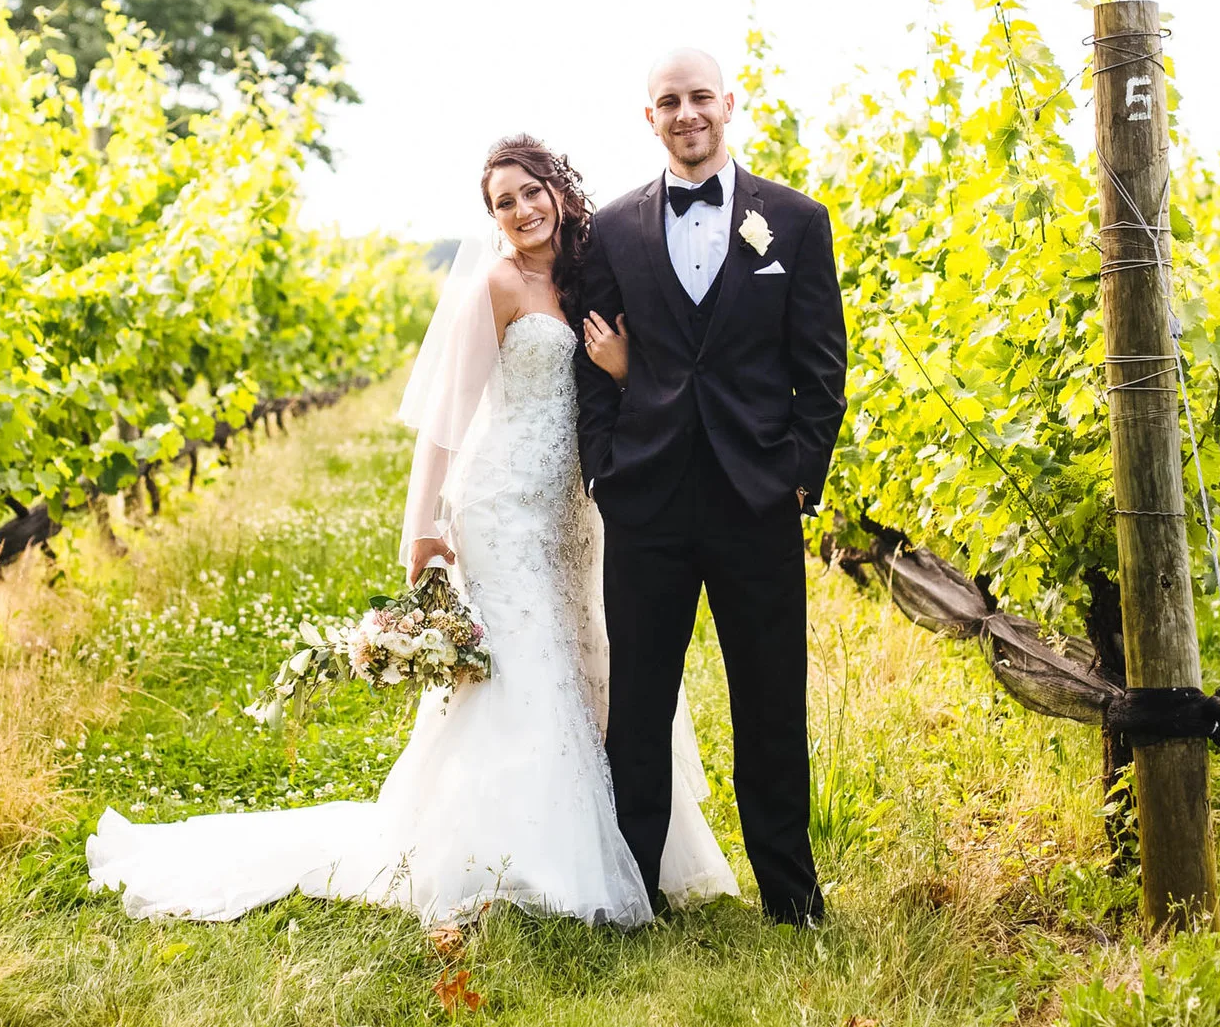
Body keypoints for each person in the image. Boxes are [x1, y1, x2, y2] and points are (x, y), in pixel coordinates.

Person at [86, 136, 736, 926]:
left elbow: (626, 389)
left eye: (532, 192)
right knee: (523, 674)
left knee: (587, 662)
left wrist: (628, 368)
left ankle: (622, 846)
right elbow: (443, 422)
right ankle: (516, 862)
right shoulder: (494, 286)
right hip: (501, 506)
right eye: (504, 202)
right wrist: (420, 521)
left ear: (557, 191)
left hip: (576, 509)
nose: (523, 210)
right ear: (492, 217)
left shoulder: (587, 276)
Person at [575, 49, 848, 925]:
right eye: (668, 101)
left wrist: (795, 482)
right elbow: (590, 369)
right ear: (646, 116)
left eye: (700, 97)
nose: (686, 113)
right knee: (641, 705)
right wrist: (604, 470)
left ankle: (791, 898)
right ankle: (634, 893)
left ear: (729, 104)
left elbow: (823, 372)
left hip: (755, 502)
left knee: (771, 701)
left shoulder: (797, 222)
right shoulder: (610, 231)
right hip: (647, 502)